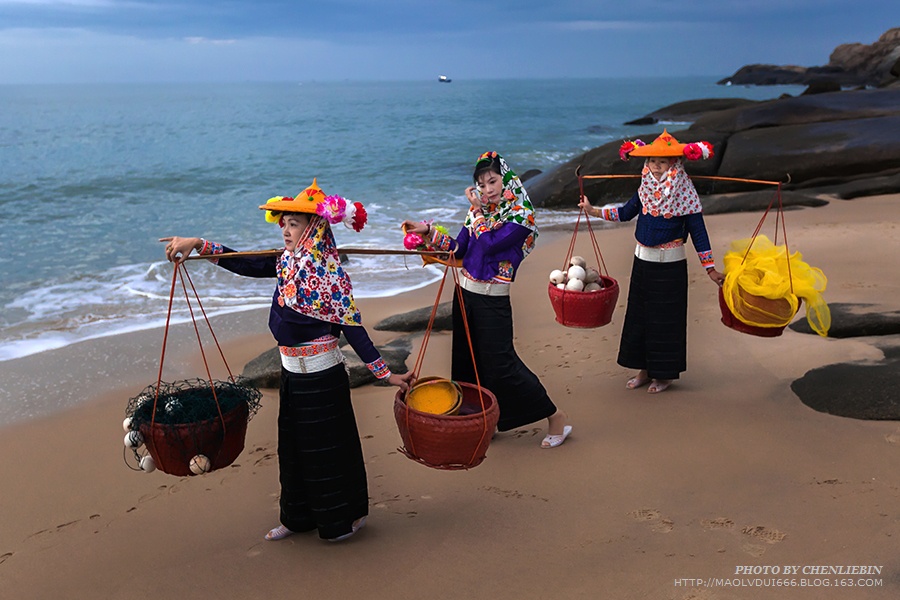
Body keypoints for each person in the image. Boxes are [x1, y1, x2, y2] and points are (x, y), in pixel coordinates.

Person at [161, 179, 413, 543]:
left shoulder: (331, 278)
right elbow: (244, 264)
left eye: (293, 223)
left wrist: (385, 373)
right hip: (291, 375)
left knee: (329, 450)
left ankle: (344, 519)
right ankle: (297, 518)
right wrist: (198, 244)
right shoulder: (286, 263)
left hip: (324, 378)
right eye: (284, 223)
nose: (284, 229)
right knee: (293, 449)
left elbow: (354, 330)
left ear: (313, 228)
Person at [401, 151, 571, 448]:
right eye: (481, 184)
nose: (487, 189)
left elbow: (491, 245)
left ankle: (555, 417)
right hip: (465, 294)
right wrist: (428, 232)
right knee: (469, 363)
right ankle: (483, 421)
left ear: (506, 180)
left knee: (502, 365)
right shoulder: (480, 211)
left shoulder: (521, 216)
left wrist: (477, 211)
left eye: (492, 181)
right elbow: (460, 249)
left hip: (493, 300)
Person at [578, 130, 726, 394]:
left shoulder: (685, 194)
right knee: (640, 317)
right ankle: (643, 371)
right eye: (652, 161)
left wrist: (710, 269)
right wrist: (592, 210)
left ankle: (664, 375)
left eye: (662, 162)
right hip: (642, 263)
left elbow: (699, 232)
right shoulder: (644, 189)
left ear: (675, 164)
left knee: (665, 320)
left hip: (670, 266)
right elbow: (624, 213)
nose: (656, 167)